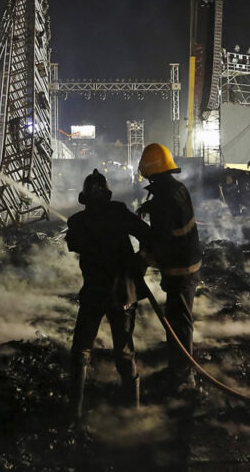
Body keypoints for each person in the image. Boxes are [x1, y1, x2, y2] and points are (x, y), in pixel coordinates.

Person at [65, 169, 154, 418]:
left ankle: (75, 413)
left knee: (81, 351)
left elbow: (74, 243)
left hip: (99, 293)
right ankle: (131, 414)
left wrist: (141, 261)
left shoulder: (78, 222)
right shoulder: (117, 213)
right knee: (123, 353)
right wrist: (142, 261)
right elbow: (147, 235)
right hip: (120, 292)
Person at [136, 143, 202, 390]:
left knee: (179, 323)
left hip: (180, 269)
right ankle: (179, 369)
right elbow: (172, 213)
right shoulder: (176, 187)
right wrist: (149, 207)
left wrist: (141, 260)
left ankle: (183, 377)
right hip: (187, 264)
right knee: (177, 319)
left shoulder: (163, 197)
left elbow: (161, 239)